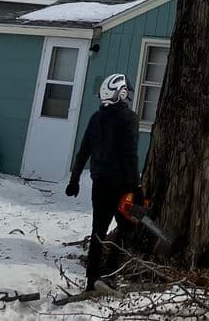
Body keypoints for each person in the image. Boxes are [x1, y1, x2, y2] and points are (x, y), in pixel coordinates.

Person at [65, 73, 141, 295]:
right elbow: (130, 156)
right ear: (122, 93)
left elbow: (83, 152)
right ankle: (109, 276)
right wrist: (136, 188)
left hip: (99, 185)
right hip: (122, 186)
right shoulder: (129, 118)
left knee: (98, 231)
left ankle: (91, 281)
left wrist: (74, 180)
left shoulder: (95, 119)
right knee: (127, 229)